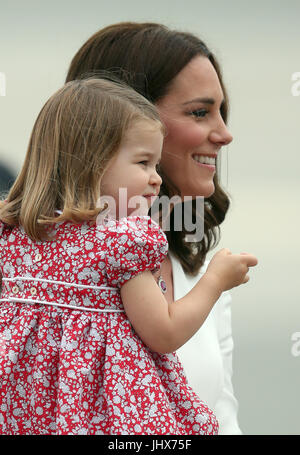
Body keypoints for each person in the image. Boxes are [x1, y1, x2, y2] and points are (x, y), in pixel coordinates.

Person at [0, 78, 257, 435]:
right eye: (143, 163)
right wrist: (215, 280)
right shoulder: (122, 243)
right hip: (112, 419)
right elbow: (164, 332)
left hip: (24, 417)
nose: (155, 179)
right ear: (92, 162)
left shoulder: (15, 235)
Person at [65, 22, 256, 434]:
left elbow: (222, 416)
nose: (224, 134)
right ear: (112, 124)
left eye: (222, 112)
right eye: (200, 112)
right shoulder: (25, 259)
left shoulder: (200, 267)